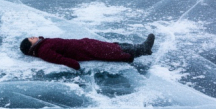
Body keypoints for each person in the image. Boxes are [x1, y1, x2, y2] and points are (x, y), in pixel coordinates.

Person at [19, 34, 155, 70]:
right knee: (112, 51)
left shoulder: (43, 43)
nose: (34, 36)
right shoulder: (44, 51)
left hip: (83, 43)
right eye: (32, 38)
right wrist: (74, 64)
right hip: (83, 49)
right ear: (32, 46)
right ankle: (142, 50)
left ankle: (140, 47)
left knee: (112, 45)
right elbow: (58, 59)